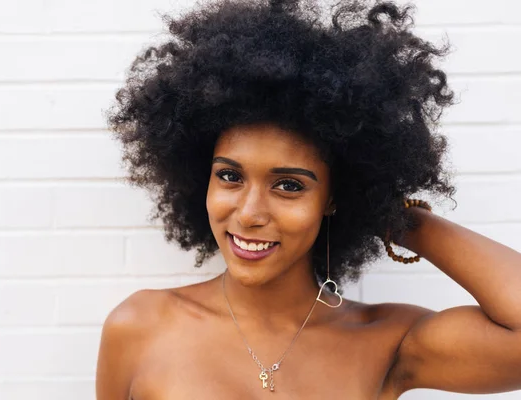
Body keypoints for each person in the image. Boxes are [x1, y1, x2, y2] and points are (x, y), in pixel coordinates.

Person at [96, 0, 521, 398]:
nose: (248, 213)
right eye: (229, 176)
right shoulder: (138, 327)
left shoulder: (386, 342)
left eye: (289, 185)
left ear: (333, 197)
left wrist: (392, 214)